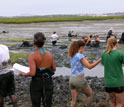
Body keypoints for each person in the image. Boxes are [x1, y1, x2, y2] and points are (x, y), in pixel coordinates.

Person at [20, 32, 56, 107]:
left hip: (37, 83)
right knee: (48, 104)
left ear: (34, 41)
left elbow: (32, 73)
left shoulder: (32, 56)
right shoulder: (49, 54)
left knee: (36, 104)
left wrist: (23, 74)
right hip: (48, 81)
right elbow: (54, 69)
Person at [68, 40, 101, 107]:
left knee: (74, 100)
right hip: (79, 79)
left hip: (71, 79)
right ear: (82, 47)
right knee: (90, 95)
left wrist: (87, 61)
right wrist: (99, 60)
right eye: (84, 48)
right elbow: (89, 67)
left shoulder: (72, 55)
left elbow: (77, 64)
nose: (84, 50)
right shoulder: (80, 56)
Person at [101, 36, 124, 107]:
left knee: (112, 102)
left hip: (108, 83)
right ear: (116, 43)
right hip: (118, 83)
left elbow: (104, 64)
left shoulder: (104, 54)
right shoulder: (120, 54)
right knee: (120, 103)